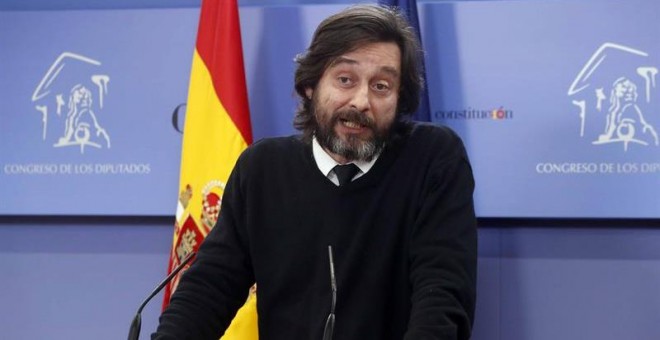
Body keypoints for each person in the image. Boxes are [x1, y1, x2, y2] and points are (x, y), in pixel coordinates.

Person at [153, 4, 477, 340]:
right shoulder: (263, 168)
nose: (361, 101)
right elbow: (211, 286)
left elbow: (443, 296)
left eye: (382, 86)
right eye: (345, 80)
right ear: (311, 86)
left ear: (399, 99)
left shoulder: (432, 159)